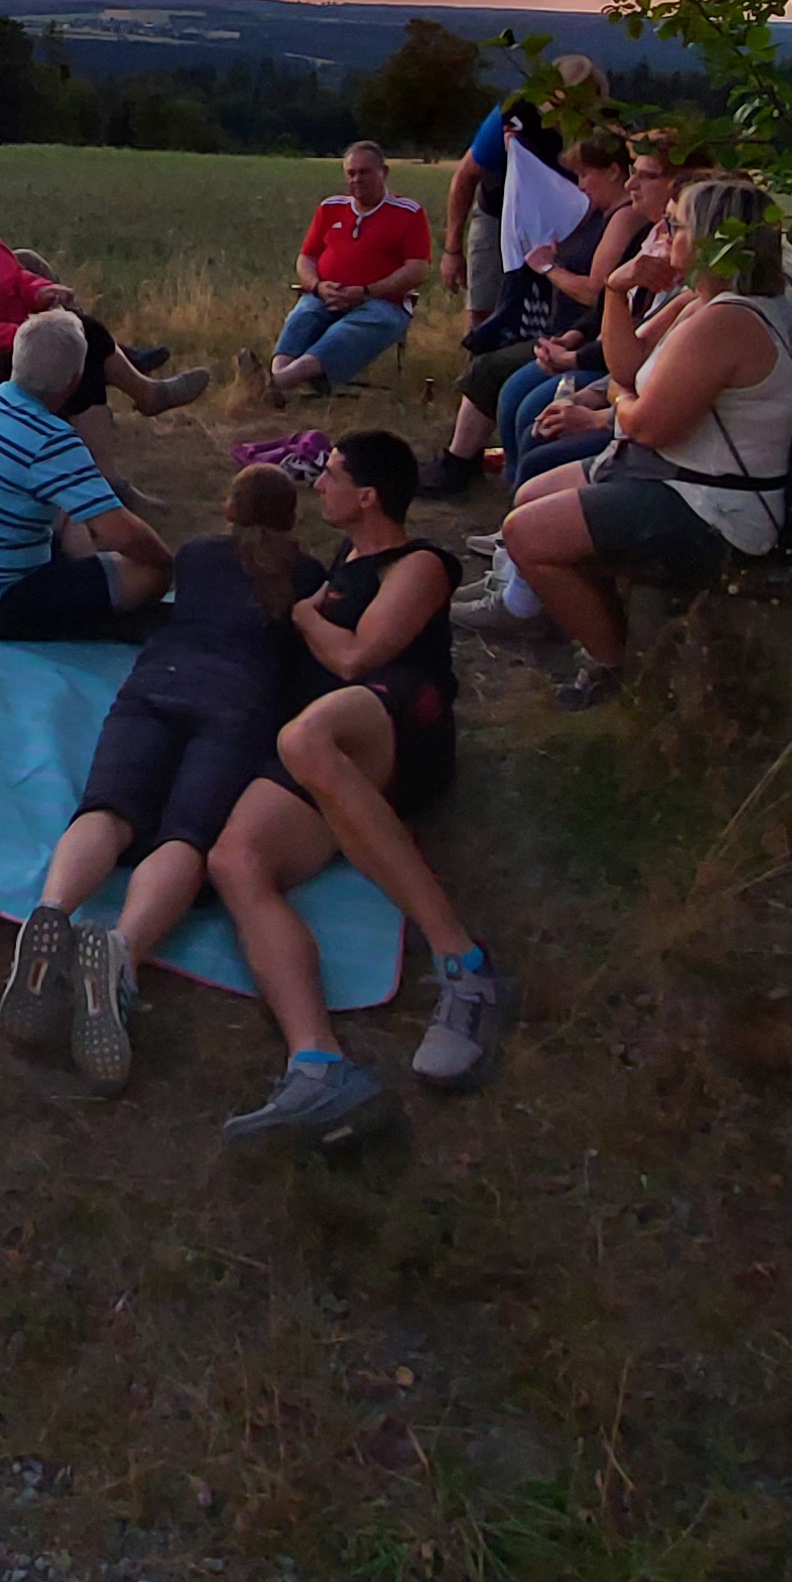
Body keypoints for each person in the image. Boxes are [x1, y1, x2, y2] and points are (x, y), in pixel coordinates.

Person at [205, 428, 513, 1145]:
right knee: (233, 861)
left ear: (367, 496)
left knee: (305, 736)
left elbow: (357, 657)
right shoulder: (343, 561)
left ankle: (467, 966)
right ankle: (319, 1067)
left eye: (332, 474)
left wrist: (308, 613)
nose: (319, 485)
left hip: (402, 725)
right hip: (332, 751)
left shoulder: (421, 564)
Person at [0, 465, 314, 1097]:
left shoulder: (196, 556)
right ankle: (124, 951)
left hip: (158, 678)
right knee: (187, 836)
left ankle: (52, 908)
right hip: (238, 701)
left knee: (109, 808)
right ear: (291, 521)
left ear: (228, 509)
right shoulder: (304, 576)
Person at [496, 177, 792, 711]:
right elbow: (629, 367)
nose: (659, 234)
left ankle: (616, 666)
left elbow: (644, 425)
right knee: (529, 497)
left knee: (526, 533)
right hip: (678, 476)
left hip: (717, 509)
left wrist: (622, 399)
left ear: (710, 240)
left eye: (674, 226)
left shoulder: (728, 322)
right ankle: (610, 632)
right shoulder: (701, 301)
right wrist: (615, 288)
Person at [0, 121, 208, 416]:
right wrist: (22, 334)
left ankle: (134, 404)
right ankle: (139, 404)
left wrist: (39, 291)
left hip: (2, 343)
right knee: (79, 339)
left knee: (78, 335)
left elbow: (11, 275)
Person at [0, 308, 177, 640]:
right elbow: (121, 533)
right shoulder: (50, 440)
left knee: (71, 508)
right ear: (74, 379)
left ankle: (90, 584)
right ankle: (98, 612)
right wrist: (167, 562)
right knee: (148, 573)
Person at [416, 128, 647, 494]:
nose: (581, 184)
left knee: (505, 382)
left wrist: (547, 269)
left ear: (615, 172)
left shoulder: (622, 219)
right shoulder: (599, 213)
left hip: (591, 343)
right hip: (576, 333)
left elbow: (595, 292)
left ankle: (479, 470)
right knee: (498, 374)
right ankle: (482, 467)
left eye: (586, 174)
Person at [244, 141, 433, 400]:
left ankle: (278, 381)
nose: (356, 179)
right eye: (351, 173)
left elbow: (417, 270)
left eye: (364, 172)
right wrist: (318, 286)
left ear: (383, 172)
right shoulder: (330, 208)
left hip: (380, 302)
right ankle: (277, 380)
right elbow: (306, 258)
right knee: (303, 315)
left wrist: (367, 291)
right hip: (325, 294)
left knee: (348, 331)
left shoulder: (408, 213)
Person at [439, 53, 610, 317]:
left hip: (578, 224)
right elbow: (465, 176)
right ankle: (481, 355)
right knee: (485, 307)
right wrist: (452, 250)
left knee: (563, 308)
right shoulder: (513, 115)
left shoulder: (604, 128)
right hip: (500, 214)